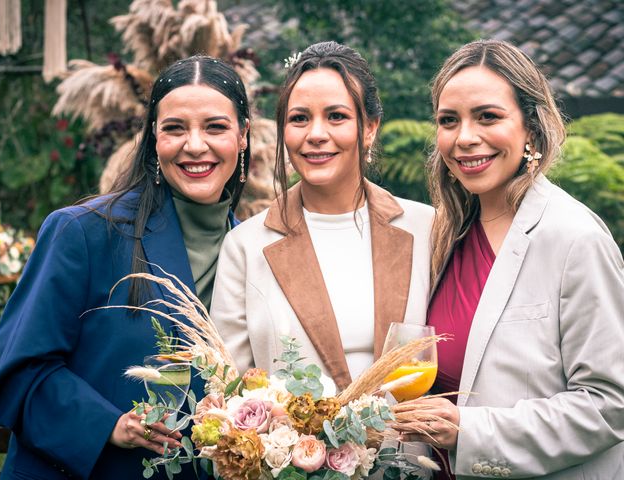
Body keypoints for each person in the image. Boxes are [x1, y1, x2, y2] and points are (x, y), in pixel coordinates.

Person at [0, 55, 251, 479]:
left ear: (242, 136)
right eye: (175, 128)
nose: (195, 145)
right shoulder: (83, 233)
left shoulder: (253, 251)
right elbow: (15, 375)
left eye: (215, 127)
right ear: (153, 138)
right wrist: (108, 425)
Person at [394, 39, 624, 479]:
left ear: (532, 129)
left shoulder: (574, 239)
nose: (465, 138)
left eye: (488, 117)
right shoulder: (443, 234)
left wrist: (471, 430)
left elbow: (609, 405)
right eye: (448, 121)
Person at [210, 41, 434, 392]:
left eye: (336, 116)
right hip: (293, 445)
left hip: (407, 445)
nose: (316, 135)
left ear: (370, 127)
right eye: (299, 119)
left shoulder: (427, 229)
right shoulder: (245, 247)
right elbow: (229, 385)